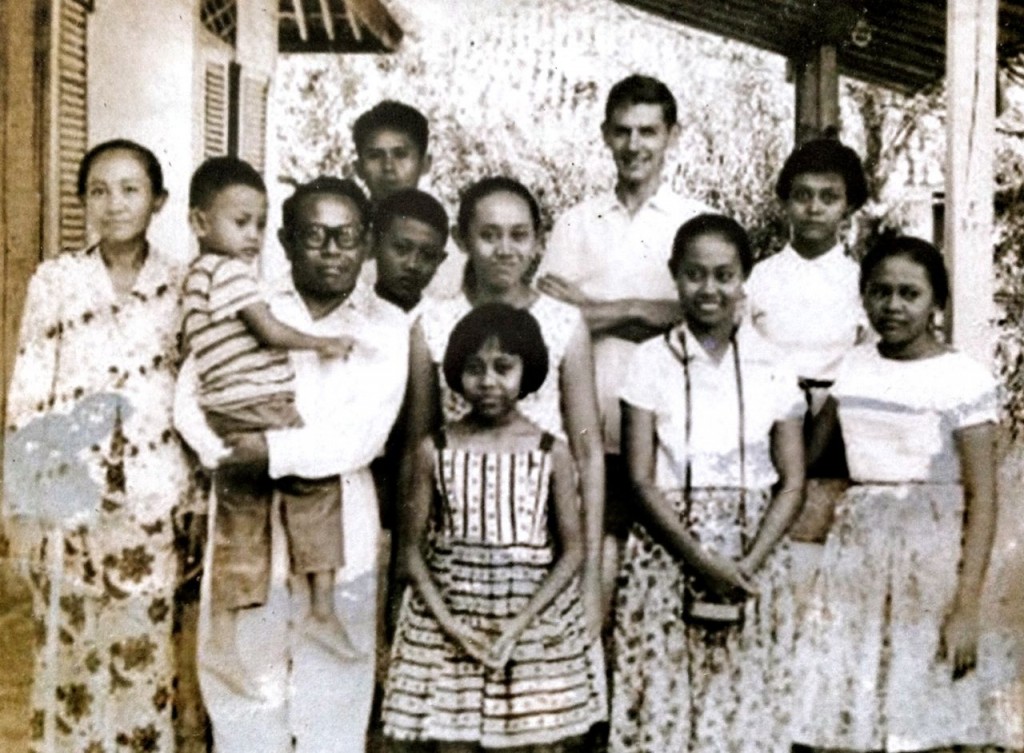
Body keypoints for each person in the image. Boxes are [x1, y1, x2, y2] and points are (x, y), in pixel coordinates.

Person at [174, 176, 409, 753]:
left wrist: (269, 453)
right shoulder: (252, 302)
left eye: (346, 236)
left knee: (334, 674)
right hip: (243, 505)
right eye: (314, 236)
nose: (331, 250)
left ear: (368, 242)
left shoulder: (384, 326)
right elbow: (191, 393)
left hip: (339, 517)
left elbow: (362, 435)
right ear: (283, 240)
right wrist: (225, 454)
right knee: (242, 674)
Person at [2, 139, 198, 753]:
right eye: (99, 190)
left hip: (154, 503)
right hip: (70, 503)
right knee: (68, 657)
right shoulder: (57, 281)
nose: (114, 204)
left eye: (130, 189)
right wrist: (25, 506)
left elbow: (196, 394)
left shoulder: (183, 287)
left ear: (157, 200)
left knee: (142, 657)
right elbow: (30, 395)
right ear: (85, 200)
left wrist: (198, 497)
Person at [793, 235, 1017, 751]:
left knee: (923, 715)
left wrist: (966, 607)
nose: (893, 305)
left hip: (931, 561)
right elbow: (805, 462)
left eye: (909, 294)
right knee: (856, 713)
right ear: (864, 296)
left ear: (937, 302)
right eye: (880, 291)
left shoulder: (962, 379)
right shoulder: (852, 368)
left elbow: (984, 499)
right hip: (859, 556)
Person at [609, 214, 806, 753]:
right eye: (695, 274)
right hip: (670, 552)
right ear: (675, 275)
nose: (709, 288)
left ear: (744, 280)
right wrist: (699, 560)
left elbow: (792, 481)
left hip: (753, 556)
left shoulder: (773, 362)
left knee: (746, 709)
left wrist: (747, 563)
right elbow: (640, 478)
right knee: (669, 710)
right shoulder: (650, 361)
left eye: (724, 275)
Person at [383, 303, 606, 750]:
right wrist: (452, 627)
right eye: (474, 368)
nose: (488, 381)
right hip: (449, 625)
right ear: (455, 373)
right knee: (453, 741)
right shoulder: (435, 449)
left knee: (533, 740)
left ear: (529, 370)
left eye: (503, 367)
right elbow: (410, 553)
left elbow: (574, 551)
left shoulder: (553, 452)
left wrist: (520, 624)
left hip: (531, 626)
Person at [181, 157, 361, 693]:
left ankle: (224, 639)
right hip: (259, 406)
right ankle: (322, 611)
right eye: (241, 223)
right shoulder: (231, 273)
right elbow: (266, 329)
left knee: (240, 525)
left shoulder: (194, 276)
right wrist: (320, 343)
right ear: (199, 223)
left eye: (259, 223)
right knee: (316, 484)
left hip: (223, 412)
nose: (252, 236)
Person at [535, 74, 711, 617]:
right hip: (590, 432)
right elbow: (550, 321)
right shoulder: (575, 223)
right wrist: (649, 312)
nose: (635, 145)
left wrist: (602, 309)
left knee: (661, 577)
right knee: (592, 568)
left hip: (673, 433)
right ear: (606, 135)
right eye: (623, 131)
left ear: (672, 136)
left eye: (648, 131)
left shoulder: (695, 222)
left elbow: (704, 318)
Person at [406, 176, 606, 639]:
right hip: (456, 546)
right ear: (462, 240)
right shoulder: (432, 323)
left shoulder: (562, 323)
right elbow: (417, 445)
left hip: (546, 541)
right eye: (489, 234)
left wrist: (590, 573)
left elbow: (589, 450)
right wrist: (406, 569)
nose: (504, 249)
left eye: (519, 235)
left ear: (538, 241)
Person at [364, 187, 450, 752]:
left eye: (426, 254)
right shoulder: (350, 315)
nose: (411, 264)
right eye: (400, 248)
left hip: (420, 495)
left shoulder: (440, 324)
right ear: (374, 244)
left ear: (441, 260)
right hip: (362, 488)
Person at [353, 99, 464, 299]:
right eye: (375, 156)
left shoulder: (444, 247)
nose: (388, 167)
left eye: (401, 155)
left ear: (425, 164)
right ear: (358, 168)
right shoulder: (341, 236)